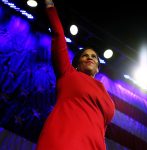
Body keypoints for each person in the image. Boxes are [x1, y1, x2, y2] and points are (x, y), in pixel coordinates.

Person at [36, 0, 115, 150]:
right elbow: (58, 35)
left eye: (94, 56)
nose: (90, 57)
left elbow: (99, 129)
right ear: (77, 64)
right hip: (63, 142)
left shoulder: (106, 97)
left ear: (98, 68)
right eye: (85, 56)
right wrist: (50, 6)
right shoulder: (68, 73)